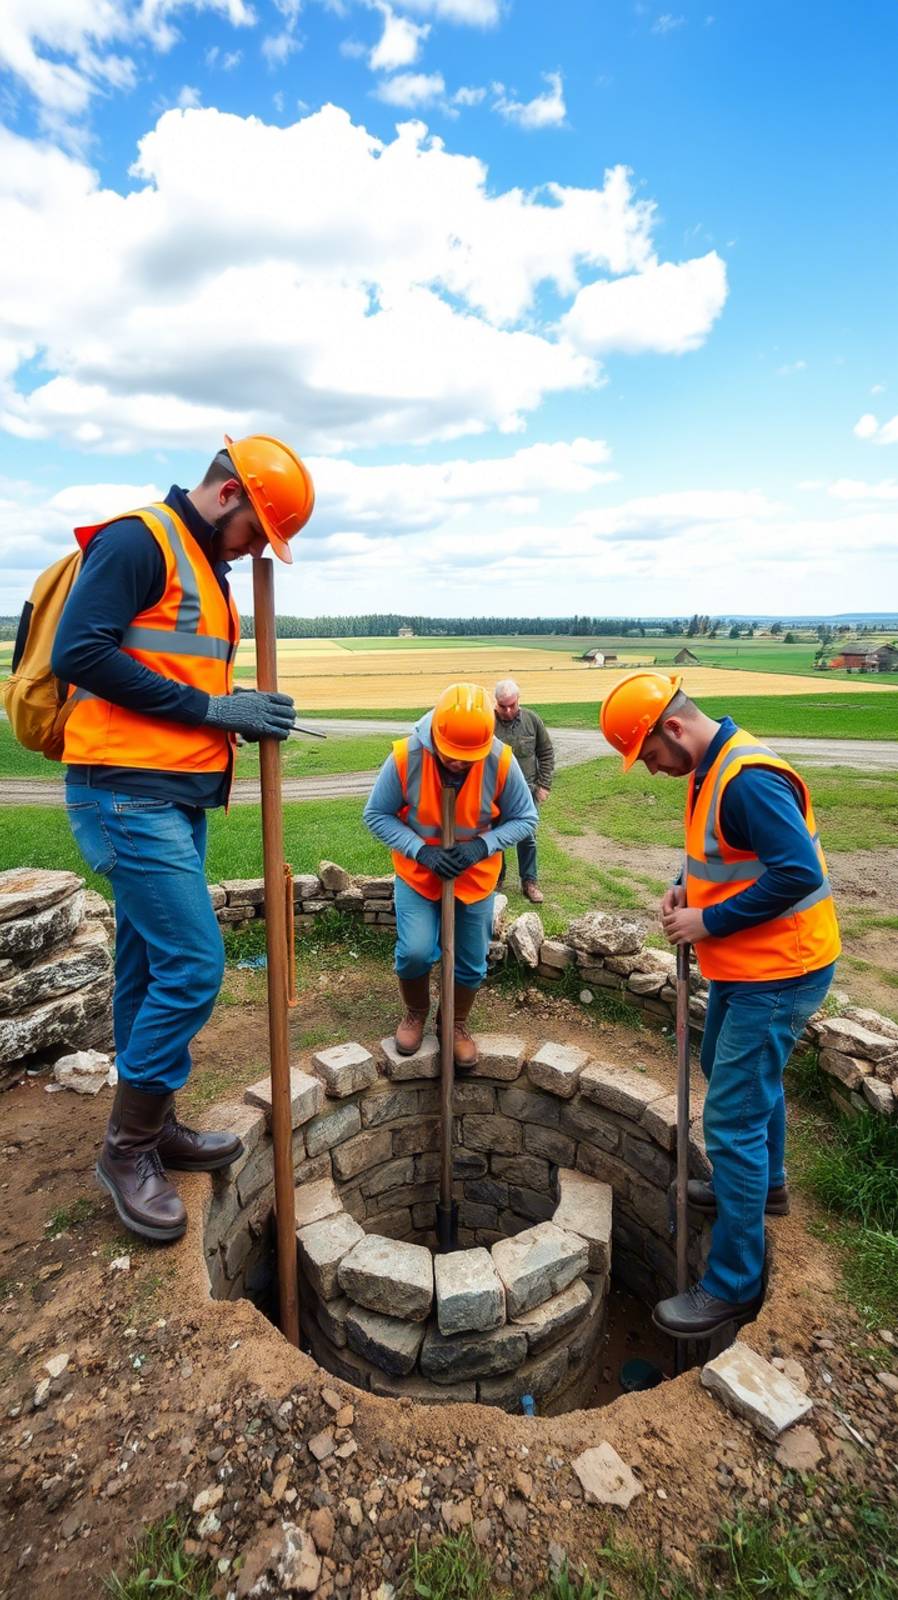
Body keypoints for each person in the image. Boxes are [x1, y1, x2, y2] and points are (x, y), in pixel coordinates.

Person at [52, 434, 314, 1245]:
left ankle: (155, 1120)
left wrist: (223, 703)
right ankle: (126, 1149)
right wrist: (212, 711)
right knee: (197, 964)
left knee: (146, 962)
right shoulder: (141, 540)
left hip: (172, 795)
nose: (253, 553)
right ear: (230, 495)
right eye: (257, 535)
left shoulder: (207, 570)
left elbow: (172, 671)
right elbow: (81, 652)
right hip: (124, 795)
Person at [600, 672, 840, 1339]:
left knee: (730, 1119)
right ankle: (768, 1186)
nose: (652, 770)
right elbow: (727, 855)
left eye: (649, 756)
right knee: (721, 1062)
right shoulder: (710, 770)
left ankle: (733, 1284)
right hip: (748, 962)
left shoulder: (746, 779)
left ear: (672, 729)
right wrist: (685, 887)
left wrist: (707, 924)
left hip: (782, 968)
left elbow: (799, 873)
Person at [363, 683, 537, 1069]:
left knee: (472, 961)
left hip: (474, 877)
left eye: (467, 757)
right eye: (452, 756)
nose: (459, 763)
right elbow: (376, 814)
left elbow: (526, 818)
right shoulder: (405, 757)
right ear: (435, 736)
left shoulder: (500, 760)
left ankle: (454, 1022)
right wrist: (420, 850)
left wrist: (481, 846)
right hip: (418, 873)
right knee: (415, 952)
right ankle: (415, 1012)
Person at [493, 678, 554, 904]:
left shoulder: (532, 720)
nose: (508, 710)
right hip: (495, 792)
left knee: (527, 838)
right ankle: (496, 879)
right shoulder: (487, 723)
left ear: (518, 700)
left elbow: (546, 752)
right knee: (495, 836)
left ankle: (529, 882)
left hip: (527, 791)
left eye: (512, 705)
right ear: (495, 703)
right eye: (502, 706)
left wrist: (544, 785)